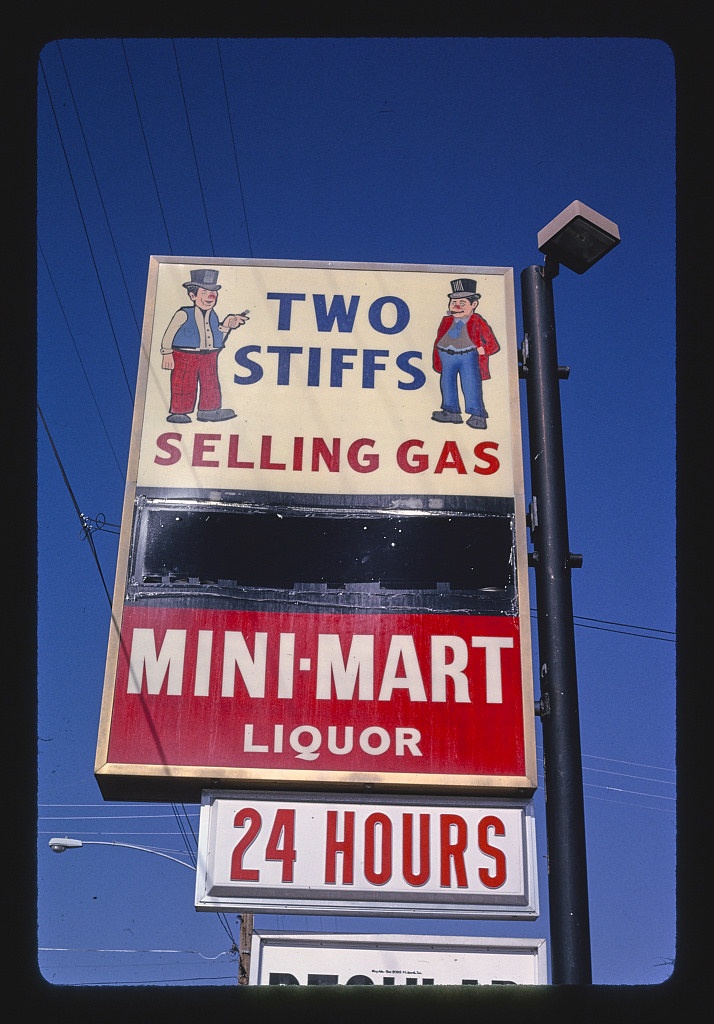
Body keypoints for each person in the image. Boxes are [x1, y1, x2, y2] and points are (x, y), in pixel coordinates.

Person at [160, 268, 248, 423]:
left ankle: (209, 410)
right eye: (205, 292)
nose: (210, 297)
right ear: (192, 295)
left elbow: (217, 338)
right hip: (185, 354)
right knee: (183, 382)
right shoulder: (183, 313)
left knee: (211, 381)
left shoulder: (213, 315)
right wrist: (166, 352)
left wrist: (227, 326)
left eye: (213, 292)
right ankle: (179, 412)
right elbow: (169, 334)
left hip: (209, 354)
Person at [431, 278, 500, 429]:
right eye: (453, 303)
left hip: (468, 356)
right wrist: (437, 358)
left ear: (473, 304)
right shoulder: (446, 320)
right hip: (446, 355)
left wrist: (482, 350)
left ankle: (477, 415)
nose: (456, 306)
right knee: (446, 382)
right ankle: (451, 411)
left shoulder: (476, 320)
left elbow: (493, 343)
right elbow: (439, 338)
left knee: (470, 384)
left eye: (462, 303)